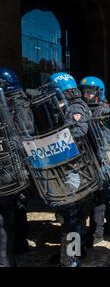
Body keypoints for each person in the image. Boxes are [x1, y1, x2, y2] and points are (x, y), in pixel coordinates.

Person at [47, 72, 97, 267]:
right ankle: (75, 252)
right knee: (74, 215)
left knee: (72, 216)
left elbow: (77, 134)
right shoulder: (70, 105)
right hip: (74, 167)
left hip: (75, 168)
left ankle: (71, 260)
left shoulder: (74, 107)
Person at [79, 76, 110, 246]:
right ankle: (109, 228)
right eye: (84, 91)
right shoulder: (89, 109)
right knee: (104, 196)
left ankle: (98, 233)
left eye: (89, 91)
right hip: (94, 160)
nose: (85, 95)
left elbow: (105, 140)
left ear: (98, 93)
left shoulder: (102, 111)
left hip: (102, 160)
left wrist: (102, 162)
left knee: (102, 197)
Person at [0, 67, 31, 267]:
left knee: (5, 215)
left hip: (9, 167)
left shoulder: (14, 106)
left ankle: (5, 260)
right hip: (15, 167)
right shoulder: (19, 104)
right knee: (16, 207)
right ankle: (19, 245)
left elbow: (23, 136)